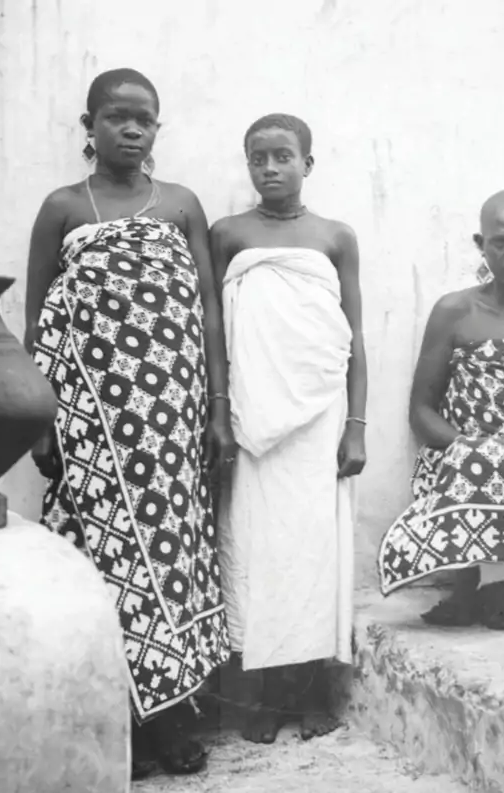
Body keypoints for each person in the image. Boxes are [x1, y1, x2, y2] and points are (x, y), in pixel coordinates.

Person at [24, 68, 230, 780]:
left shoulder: (180, 206)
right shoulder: (61, 208)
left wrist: (218, 412)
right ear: (91, 125)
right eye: (117, 116)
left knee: (171, 558)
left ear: (158, 130)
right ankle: (117, 723)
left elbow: (207, 311)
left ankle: (171, 720)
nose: (132, 129)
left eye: (145, 118)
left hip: (171, 418)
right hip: (90, 421)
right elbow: (36, 320)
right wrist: (39, 422)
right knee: (103, 562)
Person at [210, 113, 367, 744]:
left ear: (308, 162)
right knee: (255, 549)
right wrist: (221, 413)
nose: (270, 168)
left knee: (313, 552)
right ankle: (262, 702)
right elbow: (213, 332)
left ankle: (310, 693)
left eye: (282, 156)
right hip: (252, 414)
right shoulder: (226, 234)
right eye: (257, 158)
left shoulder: (335, 236)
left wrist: (355, 426)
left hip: (319, 416)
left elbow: (354, 338)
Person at [377, 189, 504, 630]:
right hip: (462, 459)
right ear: (479, 244)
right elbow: (422, 411)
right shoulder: (455, 311)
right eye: (499, 242)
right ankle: (483, 590)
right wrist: (478, 450)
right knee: (498, 460)